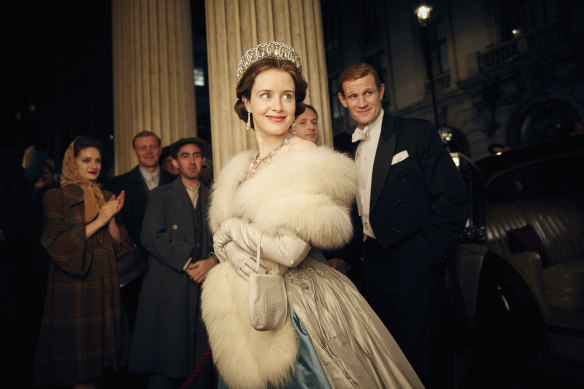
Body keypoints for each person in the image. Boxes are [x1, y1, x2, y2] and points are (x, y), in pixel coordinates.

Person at [201, 41, 423, 389]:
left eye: (287, 96)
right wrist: (228, 245)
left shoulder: (304, 155)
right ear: (246, 103)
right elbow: (226, 247)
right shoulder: (242, 167)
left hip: (303, 307)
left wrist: (230, 231)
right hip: (247, 310)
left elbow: (290, 252)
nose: (278, 106)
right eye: (266, 95)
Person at [336, 63, 469, 388]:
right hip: (371, 266)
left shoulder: (417, 132)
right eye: (354, 96)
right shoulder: (344, 147)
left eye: (368, 92)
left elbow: (453, 200)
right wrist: (346, 258)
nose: (362, 102)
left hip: (415, 264)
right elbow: (349, 210)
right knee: (386, 360)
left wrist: (424, 256)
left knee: (423, 360)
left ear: (381, 91)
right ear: (343, 100)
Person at [33, 136, 132, 388]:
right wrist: (100, 218)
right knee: (78, 370)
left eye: (97, 160)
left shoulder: (106, 193)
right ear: (71, 162)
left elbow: (121, 245)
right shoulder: (55, 196)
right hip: (74, 288)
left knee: (101, 367)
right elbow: (57, 244)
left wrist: (111, 216)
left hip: (106, 284)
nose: (94, 166)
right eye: (86, 160)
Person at [129, 137, 216, 389]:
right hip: (169, 285)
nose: (192, 161)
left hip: (205, 284)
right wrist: (187, 262)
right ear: (175, 162)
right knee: (167, 353)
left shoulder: (214, 197)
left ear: (202, 160)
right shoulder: (161, 195)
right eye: (185, 156)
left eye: (197, 155)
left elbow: (226, 237)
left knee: (199, 354)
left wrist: (211, 261)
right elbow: (151, 235)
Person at [104, 131, 176, 334]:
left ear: (160, 150)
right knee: (139, 324)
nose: (148, 151)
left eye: (153, 147)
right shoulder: (117, 185)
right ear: (135, 151)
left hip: (171, 264)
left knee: (170, 323)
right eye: (143, 147)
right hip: (136, 267)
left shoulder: (176, 182)